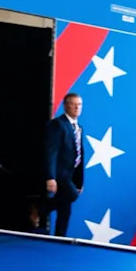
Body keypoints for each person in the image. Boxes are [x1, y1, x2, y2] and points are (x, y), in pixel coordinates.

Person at [45, 92, 85, 237]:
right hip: (60, 174)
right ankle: (39, 209)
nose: (76, 107)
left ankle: (60, 238)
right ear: (65, 106)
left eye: (79, 105)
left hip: (71, 175)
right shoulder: (57, 124)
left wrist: (79, 182)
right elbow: (51, 152)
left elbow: (80, 155)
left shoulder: (78, 127)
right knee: (71, 195)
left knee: (65, 210)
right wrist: (51, 177)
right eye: (73, 104)